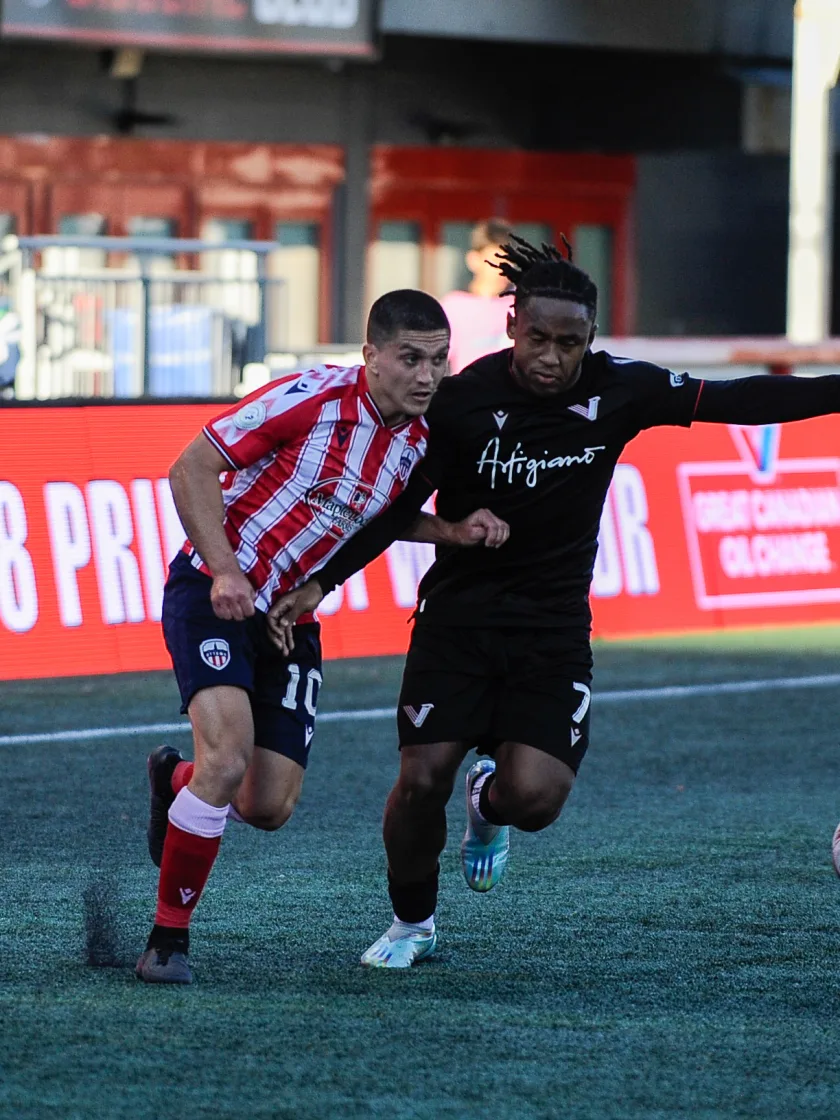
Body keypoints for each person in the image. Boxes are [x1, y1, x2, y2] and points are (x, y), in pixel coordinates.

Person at [269, 235, 840, 969]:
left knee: (534, 800)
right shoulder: (464, 401)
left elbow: (735, 398)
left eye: (569, 343)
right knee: (418, 780)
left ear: (589, 340)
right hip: (459, 623)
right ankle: (413, 924)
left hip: (553, 629)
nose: (551, 357)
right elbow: (394, 507)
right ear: (513, 327)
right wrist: (321, 582)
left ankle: (491, 806)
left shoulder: (620, 390)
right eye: (537, 338)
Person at [135, 288, 509, 984]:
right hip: (212, 593)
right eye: (409, 359)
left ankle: (173, 781)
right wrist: (223, 571)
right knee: (227, 759)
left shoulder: (425, 438)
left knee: (267, 806)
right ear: (370, 356)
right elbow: (190, 467)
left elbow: (381, 517)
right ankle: (167, 942)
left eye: (437, 360)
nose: (427, 376)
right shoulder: (307, 399)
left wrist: (452, 531)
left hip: (291, 620)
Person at [441, 218, 514, 374]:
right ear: (473, 260)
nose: (502, 270)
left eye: (508, 261)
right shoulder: (454, 307)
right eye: (494, 261)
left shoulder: (520, 305)